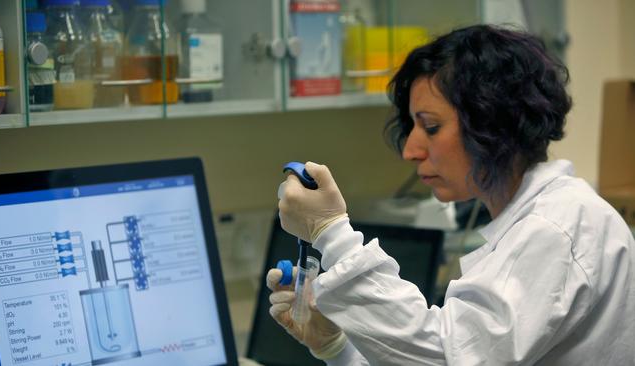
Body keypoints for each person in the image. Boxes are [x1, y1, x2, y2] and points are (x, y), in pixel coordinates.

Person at [269, 24, 635, 365]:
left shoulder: (558, 228)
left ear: (494, 122)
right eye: (413, 126)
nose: (411, 150)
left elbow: (447, 354)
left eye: (431, 126)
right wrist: (336, 347)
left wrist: (331, 232)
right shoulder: (539, 220)